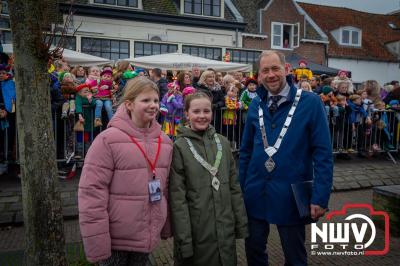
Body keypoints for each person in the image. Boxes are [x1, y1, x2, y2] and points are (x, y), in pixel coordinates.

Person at [239, 50, 333, 266]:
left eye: (275, 68)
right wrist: (240, 189)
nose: (271, 75)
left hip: (292, 193)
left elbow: (323, 153)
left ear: (286, 69)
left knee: (295, 256)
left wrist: (320, 196)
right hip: (255, 190)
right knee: (253, 251)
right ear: (259, 75)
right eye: (265, 71)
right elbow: (245, 152)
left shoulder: (310, 103)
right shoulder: (255, 104)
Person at [78, 77, 173, 265]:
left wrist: (165, 226)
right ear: (129, 104)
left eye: (155, 100)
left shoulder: (166, 142)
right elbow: (91, 194)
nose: (153, 105)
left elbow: (166, 189)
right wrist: (97, 243)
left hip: (146, 237)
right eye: (145, 100)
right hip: (115, 242)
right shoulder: (107, 140)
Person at [169, 92, 248, 266]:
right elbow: (178, 199)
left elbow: (234, 187)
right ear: (187, 114)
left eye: (206, 111)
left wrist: (240, 224)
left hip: (225, 230)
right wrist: (184, 241)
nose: (202, 116)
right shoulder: (179, 147)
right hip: (197, 232)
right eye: (196, 111)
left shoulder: (223, 143)